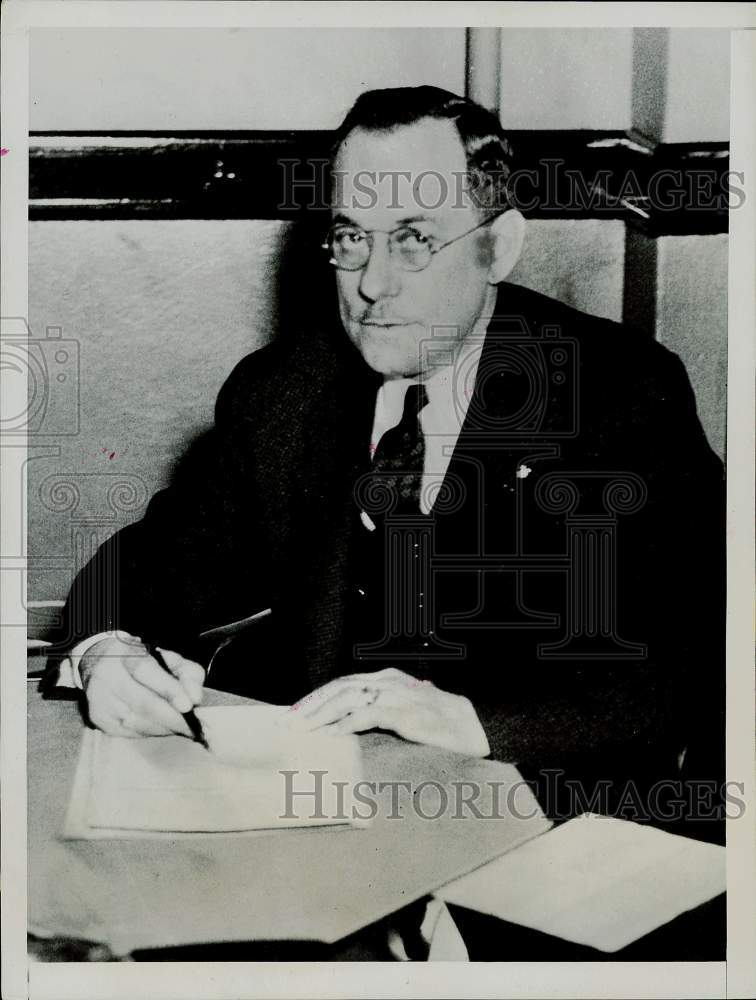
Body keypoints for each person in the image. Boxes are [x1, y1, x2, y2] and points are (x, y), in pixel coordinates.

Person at [51, 87, 725, 814]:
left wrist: (466, 719)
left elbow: (691, 655)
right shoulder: (282, 392)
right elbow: (145, 566)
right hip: (325, 817)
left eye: (413, 239)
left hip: (540, 817)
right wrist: (104, 649)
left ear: (499, 245)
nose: (372, 284)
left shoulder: (619, 392)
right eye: (351, 237)